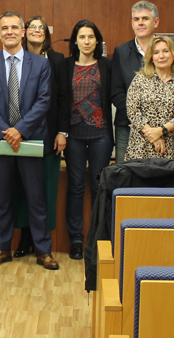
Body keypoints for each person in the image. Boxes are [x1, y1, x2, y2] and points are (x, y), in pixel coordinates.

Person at [0, 12, 58, 270]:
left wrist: (20, 130)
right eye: (5, 28)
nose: (9, 31)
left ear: (23, 32)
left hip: (31, 140)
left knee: (36, 198)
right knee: (3, 198)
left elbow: (43, 101)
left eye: (14, 27)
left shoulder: (40, 64)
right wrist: (7, 131)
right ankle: (3, 248)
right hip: (0, 142)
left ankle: (43, 251)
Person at [11, 15, 69, 258]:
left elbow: (64, 98)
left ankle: (42, 240)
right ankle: (25, 237)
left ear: (46, 33)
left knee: (44, 189)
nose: (36, 30)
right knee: (22, 189)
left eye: (41, 27)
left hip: (47, 137)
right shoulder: (15, 59)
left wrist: (61, 132)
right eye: (32, 27)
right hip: (20, 136)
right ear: (25, 32)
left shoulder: (56, 60)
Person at [63, 20, 113, 260]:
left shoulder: (107, 65)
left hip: (101, 136)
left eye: (90, 37)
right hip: (73, 137)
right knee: (75, 187)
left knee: (98, 188)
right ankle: (75, 239)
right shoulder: (65, 66)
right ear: (75, 41)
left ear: (97, 41)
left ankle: (97, 238)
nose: (86, 41)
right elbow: (60, 102)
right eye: (81, 37)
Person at [125, 36, 174, 160]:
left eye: (166, 51)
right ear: (151, 57)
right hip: (141, 146)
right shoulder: (140, 80)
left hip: (172, 148)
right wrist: (152, 135)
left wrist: (161, 131)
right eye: (156, 52)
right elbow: (132, 110)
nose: (161, 56)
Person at [112, 1, 160, 163]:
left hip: (159, 128)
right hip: (127, 126)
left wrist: (154, 125)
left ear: (156, 22)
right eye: (136, 19)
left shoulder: (167, 51)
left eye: (145, 18)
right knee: (125, 176)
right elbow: (117, 91)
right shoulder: (121, 51)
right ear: (132, 23)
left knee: (159, 177)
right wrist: (138, 120)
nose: (140, 22)